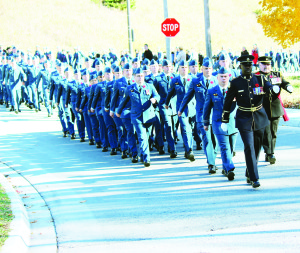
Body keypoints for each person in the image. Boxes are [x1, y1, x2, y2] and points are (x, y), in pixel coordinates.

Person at [221, 55, 280, 188]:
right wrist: (224, 119)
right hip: (244, 117)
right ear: (240, 66)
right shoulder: (235, 82)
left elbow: (268, 87)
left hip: (259, 116)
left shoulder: (260, 78)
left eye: (250, 65)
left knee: (257, 147)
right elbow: (228, 101)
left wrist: (273, 89)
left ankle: (249, 172)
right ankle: (254, 178)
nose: (248, 68)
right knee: (249, 146)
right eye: (245, 65)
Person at [180, 59, 219, 173]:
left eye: (210, 69)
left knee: (215, 140)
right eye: (206, 69)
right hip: (202, 115)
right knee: (207, 139)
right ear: (202, 69)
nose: (208, 71)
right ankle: (211, 163)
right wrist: (181, 109)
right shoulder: (196, 81)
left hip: (215, 115)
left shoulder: (216, 81)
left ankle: (212, 160)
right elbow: (188, 96)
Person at [116, 68, 160, 167]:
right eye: (138, 76)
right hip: (136, 116)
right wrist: (118, 112)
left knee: (147, 137)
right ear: (134, 77)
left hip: (148, 116)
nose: (140, 78)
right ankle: (146, 159)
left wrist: (154, 99)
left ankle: (142, 154)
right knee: (142, 136)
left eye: (141, 76)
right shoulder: (130, 88)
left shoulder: (149, 86)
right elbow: (123, 101)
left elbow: (157, 96)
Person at [256, 56, 293, 164]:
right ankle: (270, 153)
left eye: (268, 64)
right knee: (266, 132)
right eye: (264, 64)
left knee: (273, 132)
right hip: (262, 108)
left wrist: (288, 86)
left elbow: (284, 83)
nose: (266, 66)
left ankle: (269, 153)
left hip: (275, 108)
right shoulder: (256, 76)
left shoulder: (277, 75)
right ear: (259, 65)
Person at [203, 67, 237, 180]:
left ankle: (225, 167)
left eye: (225, 76)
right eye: (221, 76)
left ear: (229, 77)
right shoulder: (212, 91)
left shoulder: (234, 91)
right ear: (217, 78)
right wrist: (206, 123)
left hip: (232, 123)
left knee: (231, 147)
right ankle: (230, 168)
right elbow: (206, 108)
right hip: (218, 122)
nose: (223, 79)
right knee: (224, 146)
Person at [166, 60, 196, 161]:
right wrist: (166, 104)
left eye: (186, 67)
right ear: (178, 69)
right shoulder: (175, 80)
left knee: (190, 128)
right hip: (180, 108)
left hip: (191, 107)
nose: (184, 69)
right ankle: (189, 150)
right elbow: (170, 93)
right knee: (184, 127)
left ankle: (187, 150)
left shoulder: (193, 79)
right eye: (182, 67)